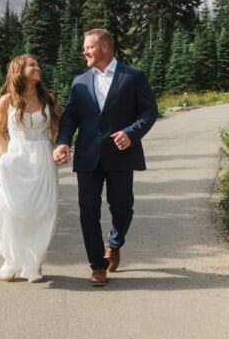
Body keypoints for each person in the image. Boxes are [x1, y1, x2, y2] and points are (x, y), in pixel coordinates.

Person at [53, 29, 158, 287]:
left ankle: (114, 243)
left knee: (122, 208)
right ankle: (97, 266)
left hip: (121, 155)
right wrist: (63, 142)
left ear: (105, 47)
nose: (84, 51)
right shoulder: (79, 82)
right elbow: (70, 118)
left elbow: (149, 112)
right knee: (88, 212)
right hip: (88, 157)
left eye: (89, 47)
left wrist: (132, 134)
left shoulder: (132, 77)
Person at [0, 54, 62, 283]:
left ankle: (34, 264)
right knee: (12, 212)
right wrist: (6, 157)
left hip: (42, 159)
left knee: (43, 211)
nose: (37, 67)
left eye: (38, 64)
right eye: (31, 65)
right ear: (19, 70)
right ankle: (11, 261)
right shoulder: (7, 101)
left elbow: (57, 131)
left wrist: (59, 148)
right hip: (16, 160)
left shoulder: (48, 99)